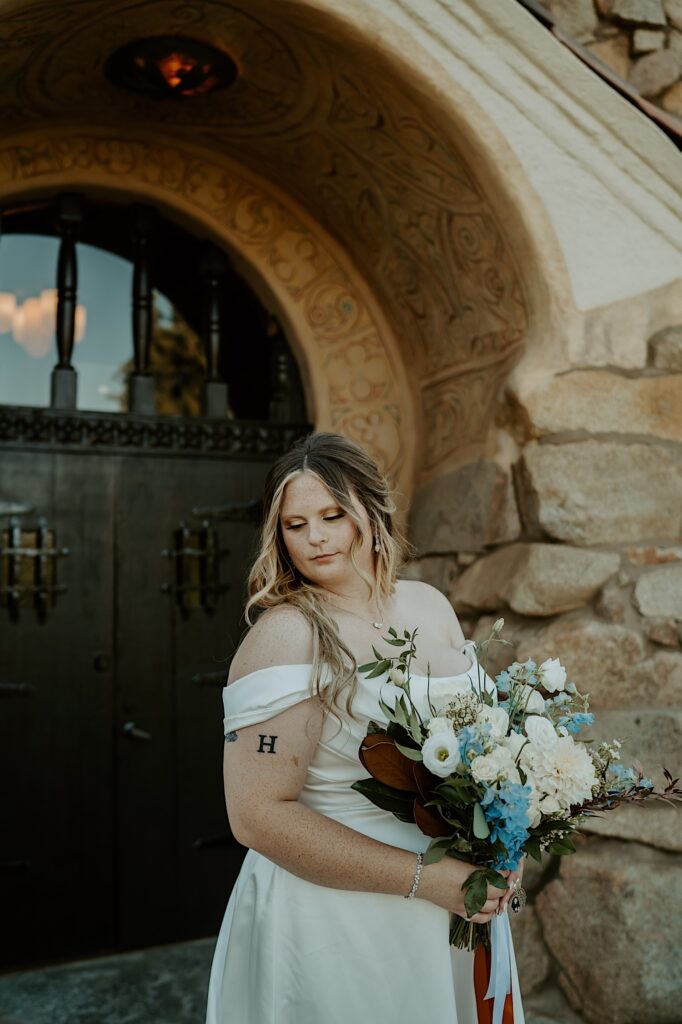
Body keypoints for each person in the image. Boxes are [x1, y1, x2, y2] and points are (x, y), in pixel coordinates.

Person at [205, 431, 525, 1024]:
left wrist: (508, 844)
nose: (316, 537)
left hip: (457, 905)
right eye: (295, 525)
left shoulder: (429, 604)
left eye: (332, 515)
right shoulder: (287, 635)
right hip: (338, 920)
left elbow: (488, 749)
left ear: (372, 513)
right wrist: (426, 880)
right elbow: (255, 814)